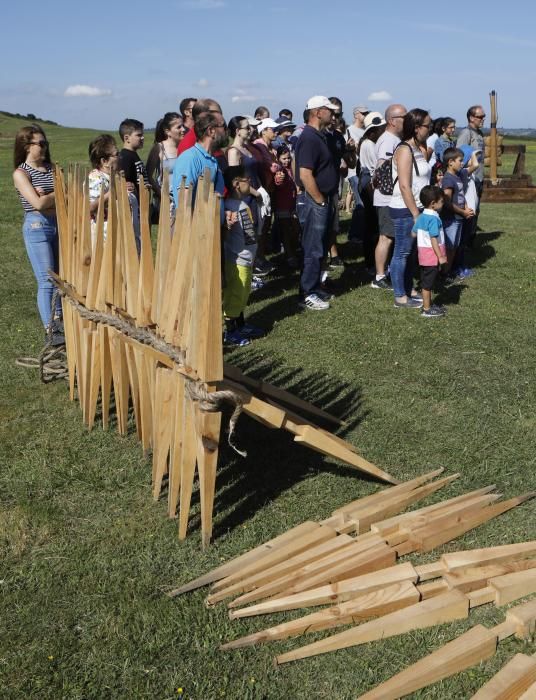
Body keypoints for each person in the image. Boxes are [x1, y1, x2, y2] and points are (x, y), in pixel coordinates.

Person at [13, 125, 63, 344]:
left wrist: (47, 198)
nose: (44, 147)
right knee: (46, 280)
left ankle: (60, 321)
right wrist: (53, 196)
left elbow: (65, 196)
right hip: (37, 227)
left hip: (56, 223)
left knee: (59, 278)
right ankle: (50, 328)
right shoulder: (21, 173)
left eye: (45, 143)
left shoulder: (51, 168)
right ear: (27, 145)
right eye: (40, 144)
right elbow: (36, 203)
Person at [294, 96, 339, 310]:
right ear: (318, 112)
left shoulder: (318, 136)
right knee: (313, 247)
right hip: (315, 200)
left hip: (322, 199)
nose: (333, 114)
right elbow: (305, 174)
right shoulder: (309, 138)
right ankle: (307, 292)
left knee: (319, 245)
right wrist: (320, 200)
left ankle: (314, 286)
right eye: (329, 110)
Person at [389, 108, 433, 309]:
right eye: (428, 125)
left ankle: (407, 289)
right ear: (416, 128)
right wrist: (416, 214)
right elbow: (404, 185)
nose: (430, 129)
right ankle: (400, 296)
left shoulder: (418, 148)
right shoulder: (405, 149)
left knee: (411, 253)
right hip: (406, 209)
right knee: (402, 253)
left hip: (417, 208)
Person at [222, 165, 264, 346]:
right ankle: (230, 331)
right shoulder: (229, 207)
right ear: (236, 184)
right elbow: (224, 231)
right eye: (247, 180)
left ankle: (240, 324)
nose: (251, 182)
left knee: (244, 292)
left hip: (247, 259)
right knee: (235, 294)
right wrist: (226, 224)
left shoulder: (242, 204)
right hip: (236, 260)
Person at [371, 103, 407, 290]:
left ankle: (387, 271)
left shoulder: (394, 139)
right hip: (387, 197)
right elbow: (382, 170)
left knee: (392, 236)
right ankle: (379, 276)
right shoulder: (388, 140)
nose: (407, 121)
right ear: (392, 120)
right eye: (404, 117)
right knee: (386, 237)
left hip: (392, 196)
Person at [172, 111, 226, 210]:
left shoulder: (212, 159)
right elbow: (184, 204)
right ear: (211, 131)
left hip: (213, 224)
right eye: (223, 126)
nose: (226, 131)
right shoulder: (190, 158)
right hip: (194, 225)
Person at [440, 147, 479, 276]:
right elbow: (447, 202)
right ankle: (444, 274)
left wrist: (466, 207)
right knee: (449, 248)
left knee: (454, 248)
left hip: (458, 218)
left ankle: (448, 272)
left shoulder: (457, 176)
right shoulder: (448, 179)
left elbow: (461, 195)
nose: (462, 163)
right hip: (451, 219)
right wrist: (462, 212)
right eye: (460, 160)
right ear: (450, 162)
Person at [412, 185, 447, 318]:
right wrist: (441, 256)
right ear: (433, 204)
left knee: (427, 281)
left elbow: (413, 233)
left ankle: (429, 305)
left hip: (423, 255)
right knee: (427, 284)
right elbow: (433, 239)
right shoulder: (433, 218)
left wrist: (421, 237)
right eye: (441, 201)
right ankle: (426, 309)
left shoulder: (422, 217)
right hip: (432, 256)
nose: (442, 204)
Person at [357, 112, 386, 273]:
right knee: (372, 224)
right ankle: (371, 262)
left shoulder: (370, 143)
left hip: (369, 180)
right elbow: (373, 168)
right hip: (369, 183)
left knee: (372, 224)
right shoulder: (368, 144)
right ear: (372, 131)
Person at [146, 112, 185, 223]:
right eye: (179, 127)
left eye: (183, 126)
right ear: (167, 131)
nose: (183, 129)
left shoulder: (185, 147)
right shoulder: (159, 148)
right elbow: (148, 175)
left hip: (184, 197)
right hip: (168, 200)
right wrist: (162, 194)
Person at [456, 105, 486, 246]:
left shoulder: (479, 133)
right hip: (469, 179)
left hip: (478, 178)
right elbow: (459, 157)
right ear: (471, 118)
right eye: (480, 116)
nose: (483, 119)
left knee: (476, 210)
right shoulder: (466, 133)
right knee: (469, 210)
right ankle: (465, 244)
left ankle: (470, 242)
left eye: (483, 116)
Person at [118, 118, 148, 253]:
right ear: (127, 138)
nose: (142, 138)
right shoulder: (125, 157)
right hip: (134, 208)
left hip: (141, 207)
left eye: (142, 134)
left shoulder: (133, 155)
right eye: (138, 135)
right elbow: (123, 180)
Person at [88, 134, 120, 241]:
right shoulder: (96, 178)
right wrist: (109, 194)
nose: (119, 157)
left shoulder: (113, 176)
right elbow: (89, 207)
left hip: (114, 233)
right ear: (104, 161)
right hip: (102, 238)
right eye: (116, 154)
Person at [273, 145, 300, 268]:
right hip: (282, 205)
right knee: (285, 231)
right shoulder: (280, 171)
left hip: (292, 204)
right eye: (284, 158)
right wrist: (279, 179)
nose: (287, 161)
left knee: (295, 229)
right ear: (278, 158)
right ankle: (289, 255)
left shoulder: (291, 169)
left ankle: (291, 252)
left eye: (288, 158)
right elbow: (278, 182)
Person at [345, 105, 368, 215]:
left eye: (366, 113)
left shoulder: (366, 131)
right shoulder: (349, 130)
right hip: (354, 171)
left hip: (365, 170)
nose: (365, 115)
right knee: (360, 203)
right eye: (363, 113)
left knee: (365, 202)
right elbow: (346, 150)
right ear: (356, 115)